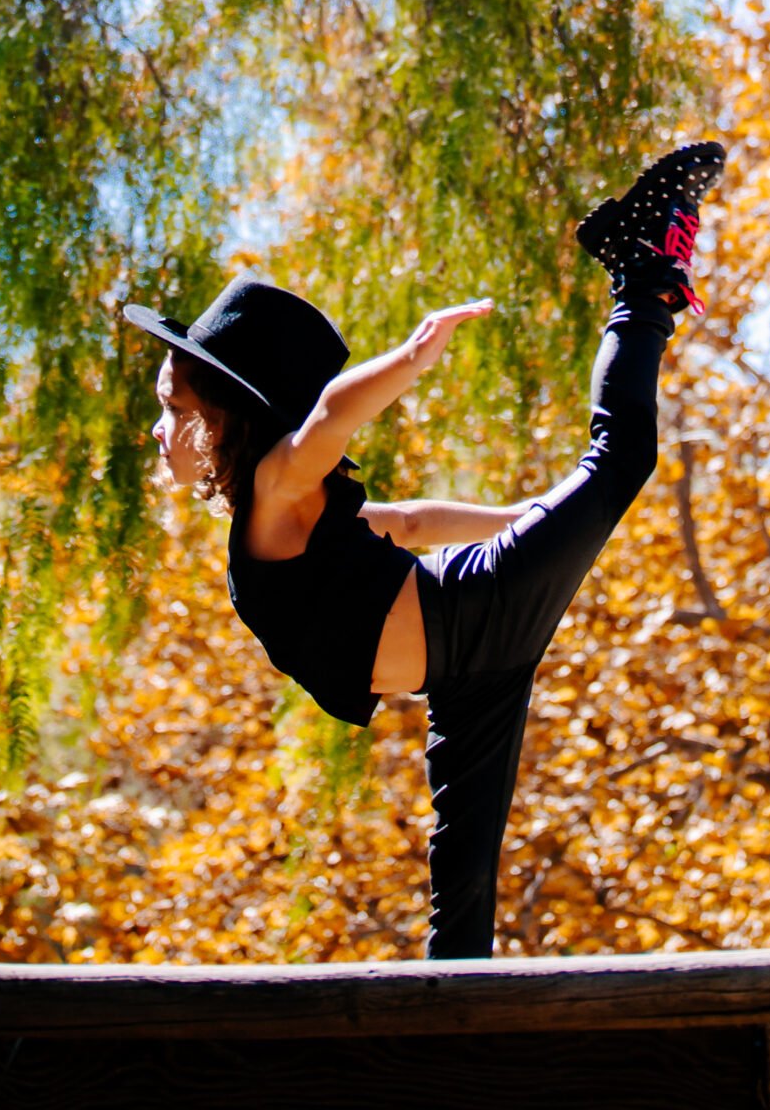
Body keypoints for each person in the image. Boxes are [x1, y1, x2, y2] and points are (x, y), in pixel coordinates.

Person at [123, 139, 725, 960]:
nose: (158, 432)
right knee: (462, 886)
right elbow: (404, 525)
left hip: (473, 613)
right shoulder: (281, 524)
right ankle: (457, 1033)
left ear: (224, 417)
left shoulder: (277, 490)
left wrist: (409, 361)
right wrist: (524, 519)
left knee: (621, 459)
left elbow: (328, 422)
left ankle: (643, 271)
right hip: (469, 672)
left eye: (171, 408)